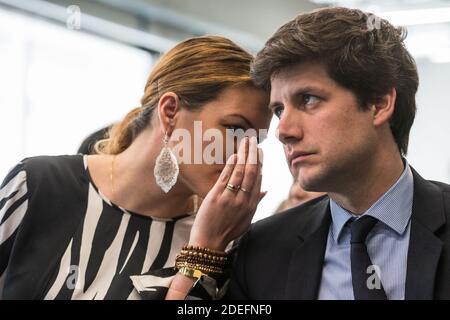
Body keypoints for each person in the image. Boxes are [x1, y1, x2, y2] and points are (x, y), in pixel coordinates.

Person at [0, 36, 272, 299]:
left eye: (255, 140)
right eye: (235, 129)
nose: (245, 153)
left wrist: (205, 251)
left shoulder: (225, 244)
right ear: (170, 112)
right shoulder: (37, 187)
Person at [227, 7, 450, 300]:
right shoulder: (261, 251)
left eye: (307, 99)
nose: (283, 131)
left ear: (379, 104)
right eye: (279, 110)